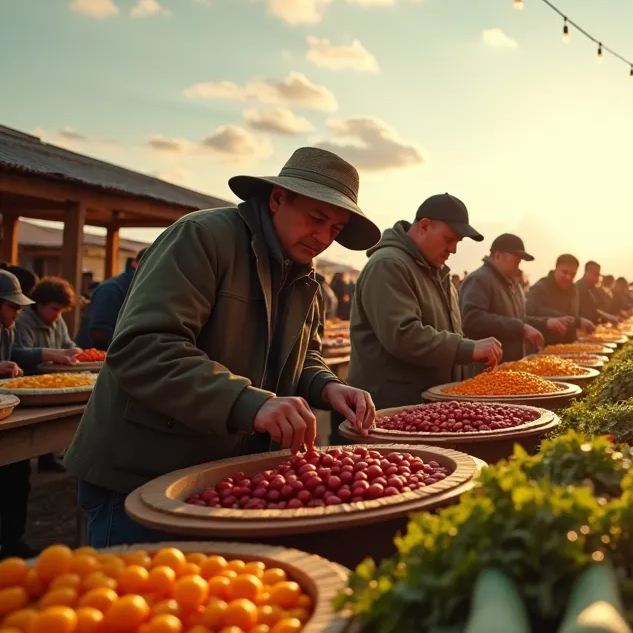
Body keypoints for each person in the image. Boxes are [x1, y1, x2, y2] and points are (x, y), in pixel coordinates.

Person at [63, 147, 380, 547]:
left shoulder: (304, 274)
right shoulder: (202, 237)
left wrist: (327, 386)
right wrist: (249, 402)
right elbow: (144, 347)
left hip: (220, 474)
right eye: (317, 218)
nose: (323, 237)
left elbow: (301, 355)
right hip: (142, 473)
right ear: (277, 199)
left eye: (335, 228)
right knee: (137, 587)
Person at [349, 194, 503, 413]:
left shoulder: (437, 272)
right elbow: (403, 335)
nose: (453, 249)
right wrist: (467, 348)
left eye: (457, 242)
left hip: (427, 407)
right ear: (424, 226)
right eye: (449, 239)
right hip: (391, 410)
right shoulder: (389, 265)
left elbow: (447, 332)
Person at [0, 270, 78, 558]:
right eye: (12, 306)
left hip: (8, 412)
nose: (18, 312)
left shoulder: (8, 329)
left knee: (17, 474)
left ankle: (12, 542)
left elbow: (17, 355)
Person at [461, 233, 567, 367]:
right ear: (498, 256)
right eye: (516, 261)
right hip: (487, 368)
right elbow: (473, 319)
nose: (518, 267)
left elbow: (518, 319)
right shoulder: (480, 279)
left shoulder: (512, 283)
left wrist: (546, 323)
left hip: (509, 366)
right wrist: (521, 328)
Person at [76, 251, 147, 350]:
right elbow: (99, 331)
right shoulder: (112, 289)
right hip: (95, 356)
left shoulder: (143, 289)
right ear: (135, 263)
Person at [527, 255, 594, 343]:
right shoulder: (540, 287)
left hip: (568, 343)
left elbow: (571, 315)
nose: (568, 277)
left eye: (573, 274)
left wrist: (579, 321)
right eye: (564, 272)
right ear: (556, 268)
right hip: (545, 343)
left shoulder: (573, 288)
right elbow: (530, 313)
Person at [14, 277, 80, 352]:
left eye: (61, 310)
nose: (58, 315)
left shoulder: (58, 320)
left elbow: (66, 343)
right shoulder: (22, 322)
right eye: (55, 309)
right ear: (40, 304)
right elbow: (23, 354)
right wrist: (48, 355)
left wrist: (75, 351)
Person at [577, 261, 620, 325]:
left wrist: (613, 316)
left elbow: (602, 306)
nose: (597, 278)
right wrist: (608, 317)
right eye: (595, 274)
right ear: (586, 272)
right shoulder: (578, 287)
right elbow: (589, 310)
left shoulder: (594, 288)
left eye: (598, 275)